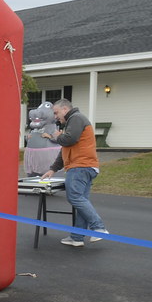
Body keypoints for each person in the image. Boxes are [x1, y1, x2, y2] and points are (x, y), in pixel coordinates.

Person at [41, 98, 109, 247]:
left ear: (65, 109)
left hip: (80, 166)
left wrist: (57, 136)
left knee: (75, 198)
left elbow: (68, 140)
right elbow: (65, 148)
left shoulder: (76, 118)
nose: (55, 116)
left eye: (56, 112)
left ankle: (98, 227)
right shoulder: (73, 122)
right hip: (85, 166)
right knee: (80, 201)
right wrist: (53, 169)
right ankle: (77, 237)